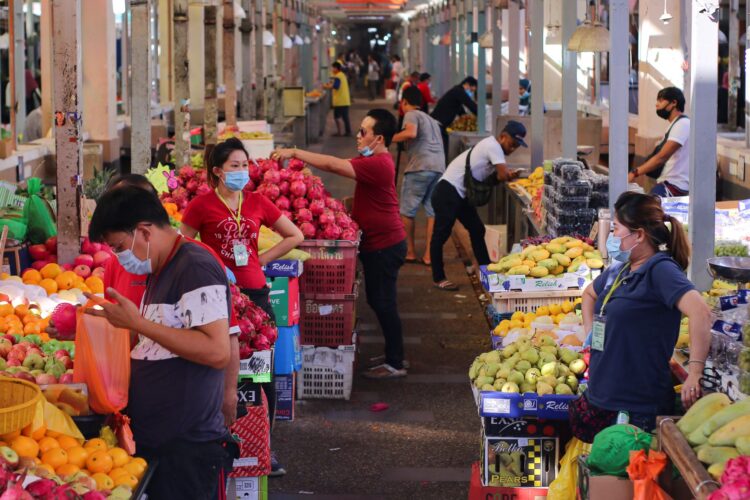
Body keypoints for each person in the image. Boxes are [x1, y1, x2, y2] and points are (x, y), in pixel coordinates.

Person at [85, 187, 232, 500]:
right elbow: (159, 340)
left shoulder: (193, 266)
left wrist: (138, 323)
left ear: (144, 231)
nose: (118, 256)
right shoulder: (162, 267)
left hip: (186, 448)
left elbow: (217, 350)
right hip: (162, 441)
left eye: (119, 246)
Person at [180, 139, 303, 477]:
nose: (241, 172)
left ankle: (266, 445)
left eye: (244, 165)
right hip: (217, 296)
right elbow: (183, 244)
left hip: (256, 294)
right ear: (218, 171)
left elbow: (295, 235)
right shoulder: (200, 205)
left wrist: (258, 261)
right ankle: (220, 440)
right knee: (221, 369)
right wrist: (213, 265)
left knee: (263, 372)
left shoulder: (257, 201)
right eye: (234, 166)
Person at [271, 109, 408, 379]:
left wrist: (296, 153)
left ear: (378, 138)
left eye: (363, 132)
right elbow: (342, 165)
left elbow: (335, 165)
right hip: (378, 244)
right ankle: (394, 354)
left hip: (385, 246)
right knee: (379, 301)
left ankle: (396, 362)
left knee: (384, 302)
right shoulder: (373, 160)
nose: (357, 136)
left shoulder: (379, 164)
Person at [570, 192, 711, 441]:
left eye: (615, 229)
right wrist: (592, 335)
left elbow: (700, 311)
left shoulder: (660, 270)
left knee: (629, 476)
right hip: (604, 397)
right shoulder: (622, 269)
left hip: (636, 407)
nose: (612, 237)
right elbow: (589, 294)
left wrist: (695, 372)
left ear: (639, 234)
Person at [430, 121, 526, 291]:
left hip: (459, 195)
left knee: (477, 229)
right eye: (512, 144)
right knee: (440, 235)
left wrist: (508, 175)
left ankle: (485, 271)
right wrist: (509, 175)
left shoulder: (491, 147)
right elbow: (502, 174)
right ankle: (439, 278)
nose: (512, 149)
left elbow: (494, 177)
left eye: (516, 147)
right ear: (503, 137)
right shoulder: (493, 146)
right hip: (447, 192)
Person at [391, 86, 446, 265]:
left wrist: (389, 137)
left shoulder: (411, 114)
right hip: (438, 168)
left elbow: (411, 133)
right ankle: (430, 255)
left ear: (404, 102)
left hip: (420, 168)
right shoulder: (431, 120)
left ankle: (410, 252)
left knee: (407, 211)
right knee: (432, 212)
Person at [628, 87, 690, 197]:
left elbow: (661, 157)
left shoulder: (683, 124)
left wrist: (634, 173)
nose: (657, 104)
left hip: (675, 185)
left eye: (661, 101)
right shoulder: (675, 124)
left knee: (647, 209)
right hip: (667, 182)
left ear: (673, 103)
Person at [431, 77, 479, 162]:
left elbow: (461, 112)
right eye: (471, 90)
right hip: (437, 125)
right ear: (467, 84)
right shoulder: (459, 91)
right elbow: (472, 107)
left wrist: (468, 119)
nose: (471, 93)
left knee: (443, 152)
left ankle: (442, 171)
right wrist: (482, 114)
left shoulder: (456, 92)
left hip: (439, 125)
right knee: (441, 153)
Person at [324, 62, 352, 137]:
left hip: (340, 101)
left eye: (333, 68)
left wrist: (327, 86)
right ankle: (347, 131)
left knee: (337, 117)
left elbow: (336, 86)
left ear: (336, 68)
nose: (332, 69)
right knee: (345, 117)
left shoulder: (338, 76)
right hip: (344, 100)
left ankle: (340, 132)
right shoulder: (342, 75)